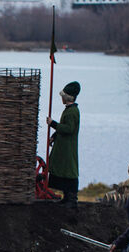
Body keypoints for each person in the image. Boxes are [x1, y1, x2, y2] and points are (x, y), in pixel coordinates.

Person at [45, 81, 80, 209]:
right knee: (64, 171)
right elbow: (64, 128)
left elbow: (69, 129)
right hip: (63, 146)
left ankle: (72, 199)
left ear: (67, 97)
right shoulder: (69, 111)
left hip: (67, 148)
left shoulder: (72, 112)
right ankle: (67, 197)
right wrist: (54, 137)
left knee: (69, 171)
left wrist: (53, 123)